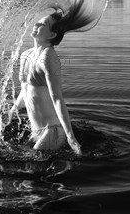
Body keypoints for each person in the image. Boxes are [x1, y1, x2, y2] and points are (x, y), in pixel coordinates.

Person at [8, 10, 82, 155]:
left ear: (52, 35)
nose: (36, 24)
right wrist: (12, 111)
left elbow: (57, 98)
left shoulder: (49, 56)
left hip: (52, 130)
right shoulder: (26, 55)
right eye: (38, 21)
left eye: (43, 24)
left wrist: (70, 136)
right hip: (36, 130)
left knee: (33, 167)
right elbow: (26, 90)